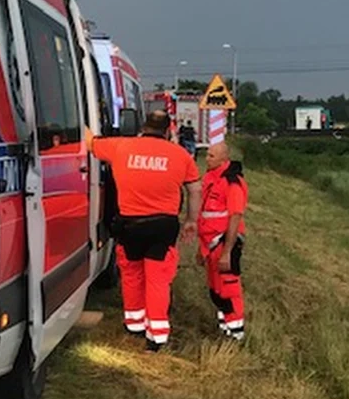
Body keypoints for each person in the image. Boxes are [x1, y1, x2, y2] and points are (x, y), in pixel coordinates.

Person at [87, 110, 200, 351]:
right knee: (158, 279)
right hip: (163, 226)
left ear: (143, 126)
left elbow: (90, 142)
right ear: (168, 130)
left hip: (130, 225)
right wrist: (191, 220)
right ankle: (157, 336)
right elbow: (194, 190)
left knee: (131, 274)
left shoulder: (120, 146)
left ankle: (134, 324)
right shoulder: (181, 155)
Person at [196, 140, 249, 341]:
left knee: (229, 288)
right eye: (207, 154)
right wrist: (201, 250)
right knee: (216, 288)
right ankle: (225, 326)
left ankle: (236, 333)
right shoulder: (211, 178)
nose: (206, 159)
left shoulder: (232, 182)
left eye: (211, 156)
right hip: (210, 244)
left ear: (223, 158)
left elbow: (235, 216)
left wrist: (227, 251)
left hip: (225, 243)